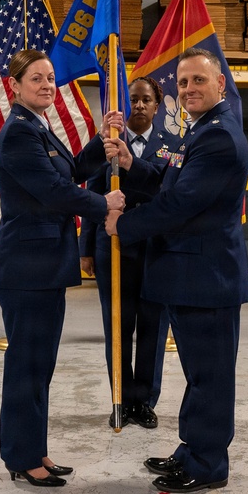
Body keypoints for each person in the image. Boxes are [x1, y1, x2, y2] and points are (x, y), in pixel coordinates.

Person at [104, 47, 248, 493]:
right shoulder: (202, 129)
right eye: (183, 82)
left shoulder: (219, 136)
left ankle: (208, 463)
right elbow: (175, 183)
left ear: (220, 84)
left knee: (210, 376)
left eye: (199, 80)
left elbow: (181, 204)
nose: (189, 89)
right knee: (198, 374)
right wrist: (133, 166)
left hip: (206, 278)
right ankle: (193, 449)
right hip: (192, 276)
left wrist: (124, 224)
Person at [0, 49, 125, 488]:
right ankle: (21, 457)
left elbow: (68, 173)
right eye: (37, 79)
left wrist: (100, 143)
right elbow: (53, 191)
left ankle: (35, 450)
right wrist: (102, 203)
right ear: (15, 85)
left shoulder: (38, 127)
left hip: (43, 267)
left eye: (50, 77)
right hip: (27, 266)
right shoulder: (18, 133)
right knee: (28, 365)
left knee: (39, 365)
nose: (47, 84)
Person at [79, 77, 180, 430]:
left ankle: (145, 401)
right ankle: (120, 398)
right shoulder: (109, 144)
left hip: (155, 251)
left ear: (157, 105)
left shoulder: (171, 146)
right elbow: (93, 195)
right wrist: (86, 250)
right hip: (114, 250)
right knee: (117, 327)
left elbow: (170, 194)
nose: (139, 105)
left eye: (146, 100)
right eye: (134, 99)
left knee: (153, 326)